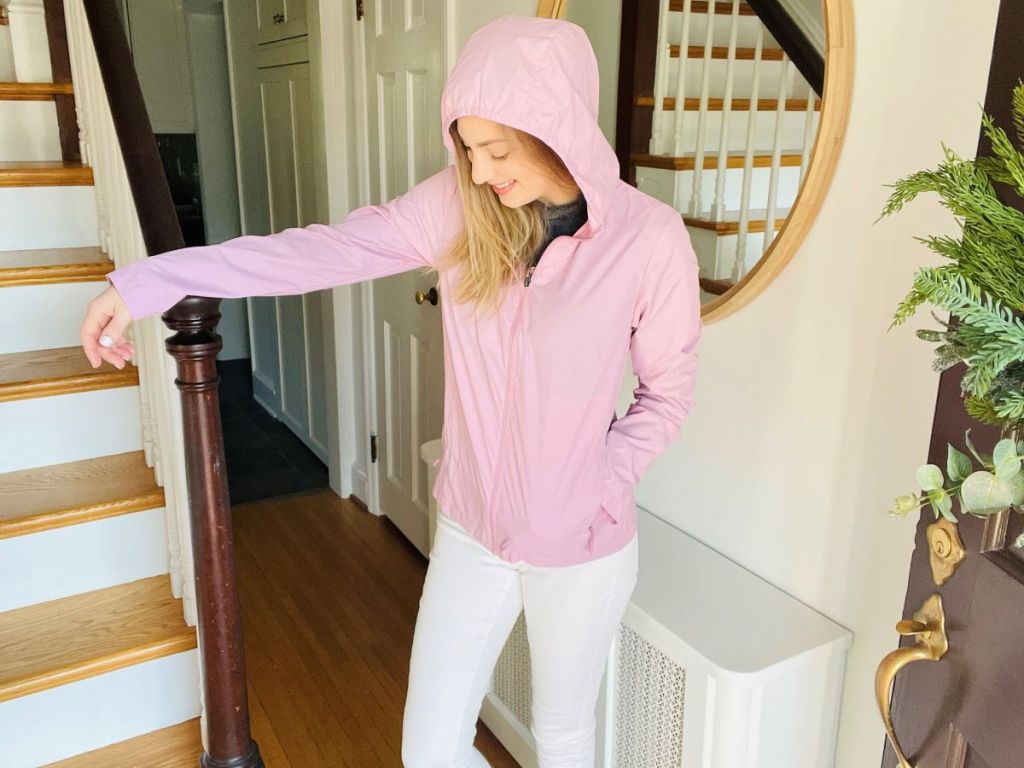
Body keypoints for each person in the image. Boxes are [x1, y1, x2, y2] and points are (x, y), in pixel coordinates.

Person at [80, 14, 702, 768]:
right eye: (468, 148)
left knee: (563, 734)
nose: (479, 172)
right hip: (474, 530)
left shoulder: (649, 237)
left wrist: (603, 481)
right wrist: (154, 280)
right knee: (431, 750)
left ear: (556, 130)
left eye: (498, 150)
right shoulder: (457, 207)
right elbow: (320, 252)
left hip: (584, 546)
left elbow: (666, 394)